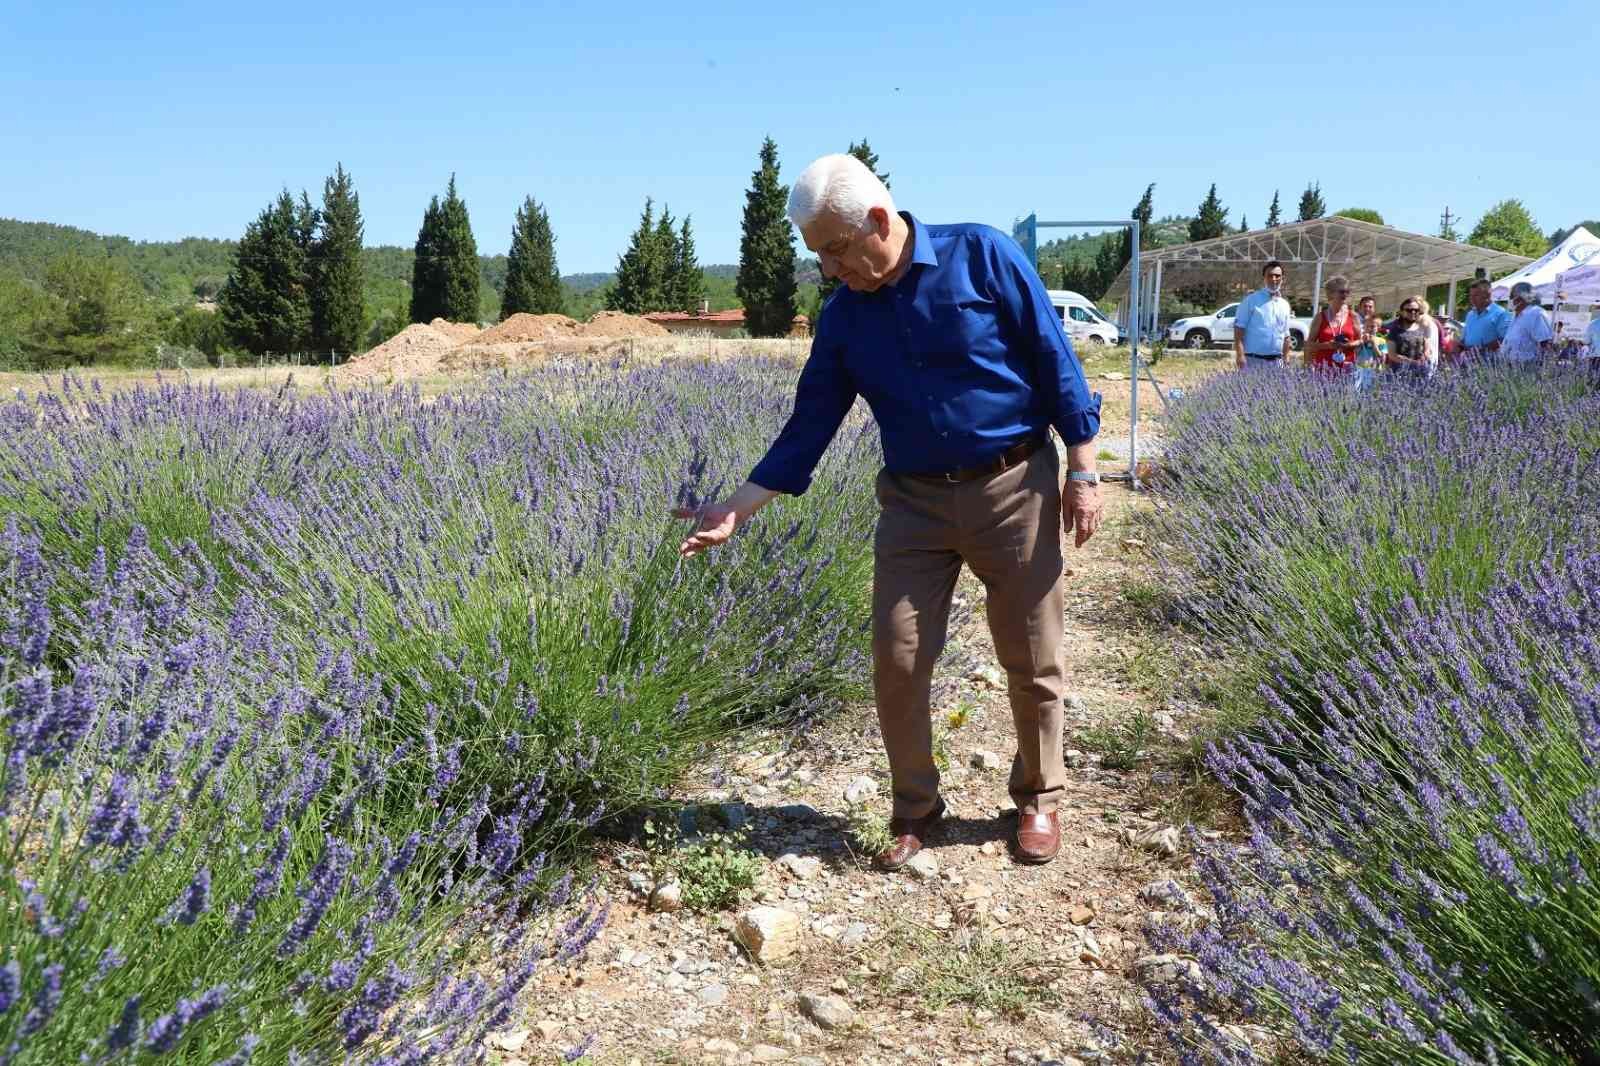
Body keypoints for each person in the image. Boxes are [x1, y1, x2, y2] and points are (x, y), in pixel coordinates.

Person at [674, 154, 1103, 870]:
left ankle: (1037, 797)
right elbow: (810, 422)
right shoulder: (845, 315)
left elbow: (1056, 362)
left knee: (1031, 656)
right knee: (897, 659)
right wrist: (739, 509)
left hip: (1014, 485)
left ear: (878, 220)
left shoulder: (983, 256)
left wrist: (1084, 471)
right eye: (819, 258)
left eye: (836, 251)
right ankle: (914, 807)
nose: (832, 271)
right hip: (912, 501)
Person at [1233, 262, 1293, 371]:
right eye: (1270, 275)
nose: (1274, 279)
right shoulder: (1251, 300)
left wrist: (1286, 357)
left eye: (1277, 276)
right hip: (1253, 360)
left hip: (1277, 362)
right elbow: (1238, 329)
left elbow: (1286, 335)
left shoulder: (1284, 304)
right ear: (1264, 278)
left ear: (1282, 278)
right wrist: (1240, 356)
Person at [1304, 275, 1361, 373]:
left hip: (1347, 369)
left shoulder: (1353, 316)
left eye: (1348, 291)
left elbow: (1360, 340)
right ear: (1331, 294)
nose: (1346, 295)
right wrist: (1327, 346)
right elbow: (1309, 345)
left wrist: (1347, 345)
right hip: (1324, 370)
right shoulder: (1320, 317)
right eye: (1342, 292)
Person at [1384, 295, 1439, 377]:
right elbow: (1392, 355)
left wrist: (1426, 354)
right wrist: (1412, 362)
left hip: (1420, 375)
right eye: (1409, 310)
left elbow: (1427, 349)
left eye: (1416, 310)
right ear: (1402, 312)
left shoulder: (1422, 328)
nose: (1413, 312)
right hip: (1398, 376)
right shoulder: (1394, 330)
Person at [1502, 281, 1554, 364]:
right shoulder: (1515, 315)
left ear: (1522, 297)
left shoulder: (1535, 314)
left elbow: (1545, 343)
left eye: (1512, 296)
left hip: (1527, 367)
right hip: (1509, 367)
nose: (1510, 300)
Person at [1460, 279, 1512, 359]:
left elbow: (1504, 339)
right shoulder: (1470, 315)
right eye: (1471, 295)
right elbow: (1465, 338)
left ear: (1487, 295)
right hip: (1467, 361)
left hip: (1489, 363)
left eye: (1476, 295)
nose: (1472, 299)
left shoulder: (1501, 313)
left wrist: (1479, 350)